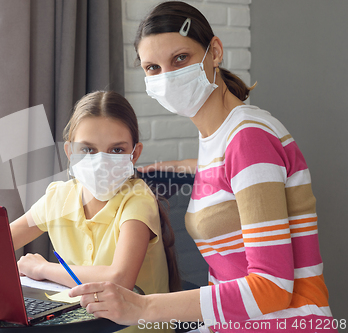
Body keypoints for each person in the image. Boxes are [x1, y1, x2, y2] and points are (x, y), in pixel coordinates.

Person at [69, 2, 337, 332]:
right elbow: (233, 173)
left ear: (215, 52)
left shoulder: (247, 137)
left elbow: (272, 288)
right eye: (153, 67)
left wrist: (142, 306)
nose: (168, 77)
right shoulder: (219, 137)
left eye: (180, 58)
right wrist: (169, 166)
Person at [10, 90, 180, 333]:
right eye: (87, 150)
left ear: (135, 153)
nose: (101, 161)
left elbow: (119, 279)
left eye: (116, 150)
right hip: (82, 325)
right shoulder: (59, 196)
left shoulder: (138, 200)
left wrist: (42, 269)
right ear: (70, 152)